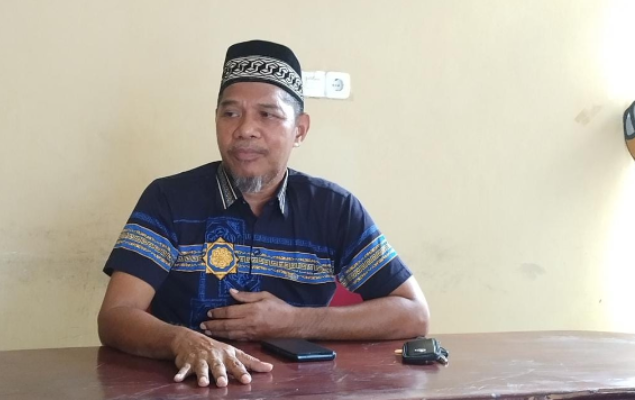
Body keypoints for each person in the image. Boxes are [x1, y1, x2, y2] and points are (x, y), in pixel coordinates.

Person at [97, 40, 430, 388]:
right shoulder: (168, 199)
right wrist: (183, 341)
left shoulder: (333, 209)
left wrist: (294, 322)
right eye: (230, 113)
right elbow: (116, 316)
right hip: (194, 387)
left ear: (299, 130)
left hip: (301, 390)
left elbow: (413, 313)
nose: (245, 129)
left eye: (267, 114)